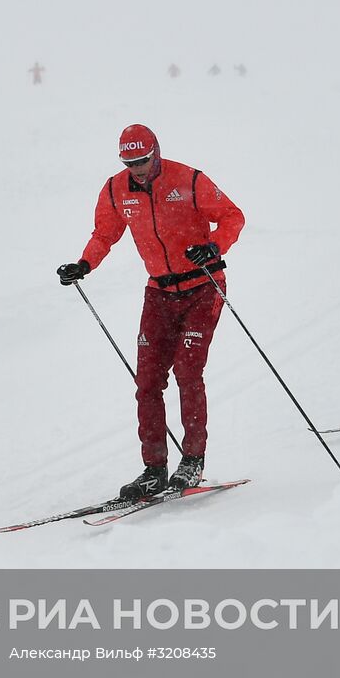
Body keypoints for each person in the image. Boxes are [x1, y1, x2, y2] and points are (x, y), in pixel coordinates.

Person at [57, 124, 245, 499]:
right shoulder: (116, 190)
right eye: (129, 163)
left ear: (155, 153)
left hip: (203, 286)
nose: (137, 169)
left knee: (187, 371)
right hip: (159, 292)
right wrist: (84, 264)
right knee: (147, 381)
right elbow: (104, 234)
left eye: (142, 161)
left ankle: (192, 461)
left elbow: (232, 216)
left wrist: (213, 246)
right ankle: (154, 470)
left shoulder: (188, 179)